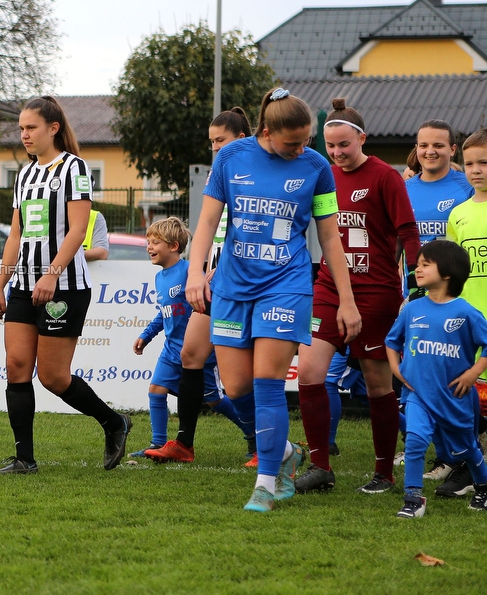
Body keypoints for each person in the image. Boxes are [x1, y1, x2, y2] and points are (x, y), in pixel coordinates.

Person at [187, 87, 361, 512]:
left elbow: (329, 237)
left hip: (286, 285)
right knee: (236, 386)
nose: (302, 148)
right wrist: (195, 272)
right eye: (292, 142)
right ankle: (284, 452)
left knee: (267, 383)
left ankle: (268, 483)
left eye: (306, 140)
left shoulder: (317, 167)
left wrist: (346, 299)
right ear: (267, 131)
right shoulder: (230, 158)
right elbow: (208, 221)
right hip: (230, 286)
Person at [0, 96, 131, 475]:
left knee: (53, 377)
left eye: (31, 127)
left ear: (53, 128)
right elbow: (16, 234)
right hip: (23, 284)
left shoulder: (74, 168)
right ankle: (24, 459)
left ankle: (114, 422)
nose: (24, 135)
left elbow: (79, 230)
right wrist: (0, 282)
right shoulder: (24, 174)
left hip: (63, 285)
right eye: (21, 128)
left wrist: (52, 273)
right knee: (16, 365)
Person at [294, 98, 420, 497]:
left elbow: (408, 233)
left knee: (378, 384)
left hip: (375, 293)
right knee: (310, 375)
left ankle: (385, 472)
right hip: (329, 288)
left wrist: (415, 287)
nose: (336, 153)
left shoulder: (386, 177)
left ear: (361, 138)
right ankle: (319, 466)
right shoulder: (325, 176)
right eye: (330, 147)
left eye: (343, 145)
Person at [150, 107, 257, 465]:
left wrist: (222, 267)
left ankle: (265, 445)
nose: (214, 147)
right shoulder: (220, 170)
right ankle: (184, 444)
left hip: (248, 281)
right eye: (211, 141)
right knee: (190, 355)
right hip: (218, 278)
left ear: (242, 139)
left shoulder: (263, 171)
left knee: (239, 378)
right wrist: (201, 270)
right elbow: (210, 226)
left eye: (220, 140)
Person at [131, 217, 253, 462]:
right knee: (156, 389)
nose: (149, 247)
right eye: (148, 242)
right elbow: (164, 311)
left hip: (197, 350)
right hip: (171, 347)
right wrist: (146, 335)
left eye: (156, 242)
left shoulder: (189, 270)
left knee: (215, 400)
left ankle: (254, 437)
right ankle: (159, 442)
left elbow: (203, 300)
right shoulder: (160, 278)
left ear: (174, 246)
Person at [386, 239, 487, 518]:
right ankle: (413, 499)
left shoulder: (465, 312)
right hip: (418, 393)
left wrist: (473, 372)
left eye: (425, 265)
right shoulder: (412, 309)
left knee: (466, 449)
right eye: (417, 264)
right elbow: (392, 342)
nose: (417, 269)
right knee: (416, 440)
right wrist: (397, 369)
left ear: (447, 273)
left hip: (454, 397)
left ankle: (483, 487)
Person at [403, 119, 473, 483]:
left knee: (451, 378)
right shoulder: (404, 188)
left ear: (452, 150)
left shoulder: (465, 186)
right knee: (419, 376)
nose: (430, 151)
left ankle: (458, 457)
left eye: (438, 145)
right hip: (413, 295)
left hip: (455, 298)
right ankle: (439, 452)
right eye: (424, 145)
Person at [444, 128, 487, 497]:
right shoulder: (457, 215)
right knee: (467, 400)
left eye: (484, 162)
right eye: (471, 163)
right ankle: (470, 468)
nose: (477, 170)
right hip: (470, 324)